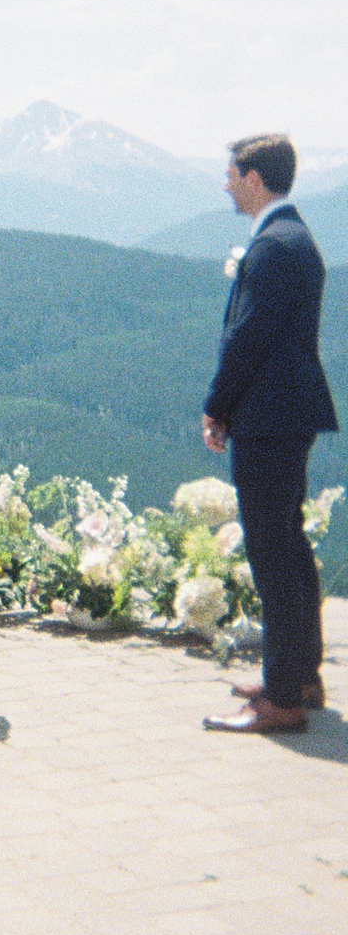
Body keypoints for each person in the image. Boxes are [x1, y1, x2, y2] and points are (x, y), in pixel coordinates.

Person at [200, 135, 338, 735]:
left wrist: (217, 405)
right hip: (288, 414)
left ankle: (282, 699)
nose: (226, 184)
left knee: (273, 552)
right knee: (289, 546)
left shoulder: (277, 246)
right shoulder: (293, 237)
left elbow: (249, 338)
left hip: (269, 417)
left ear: (256, 178)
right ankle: (300, 673)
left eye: (232, 174)